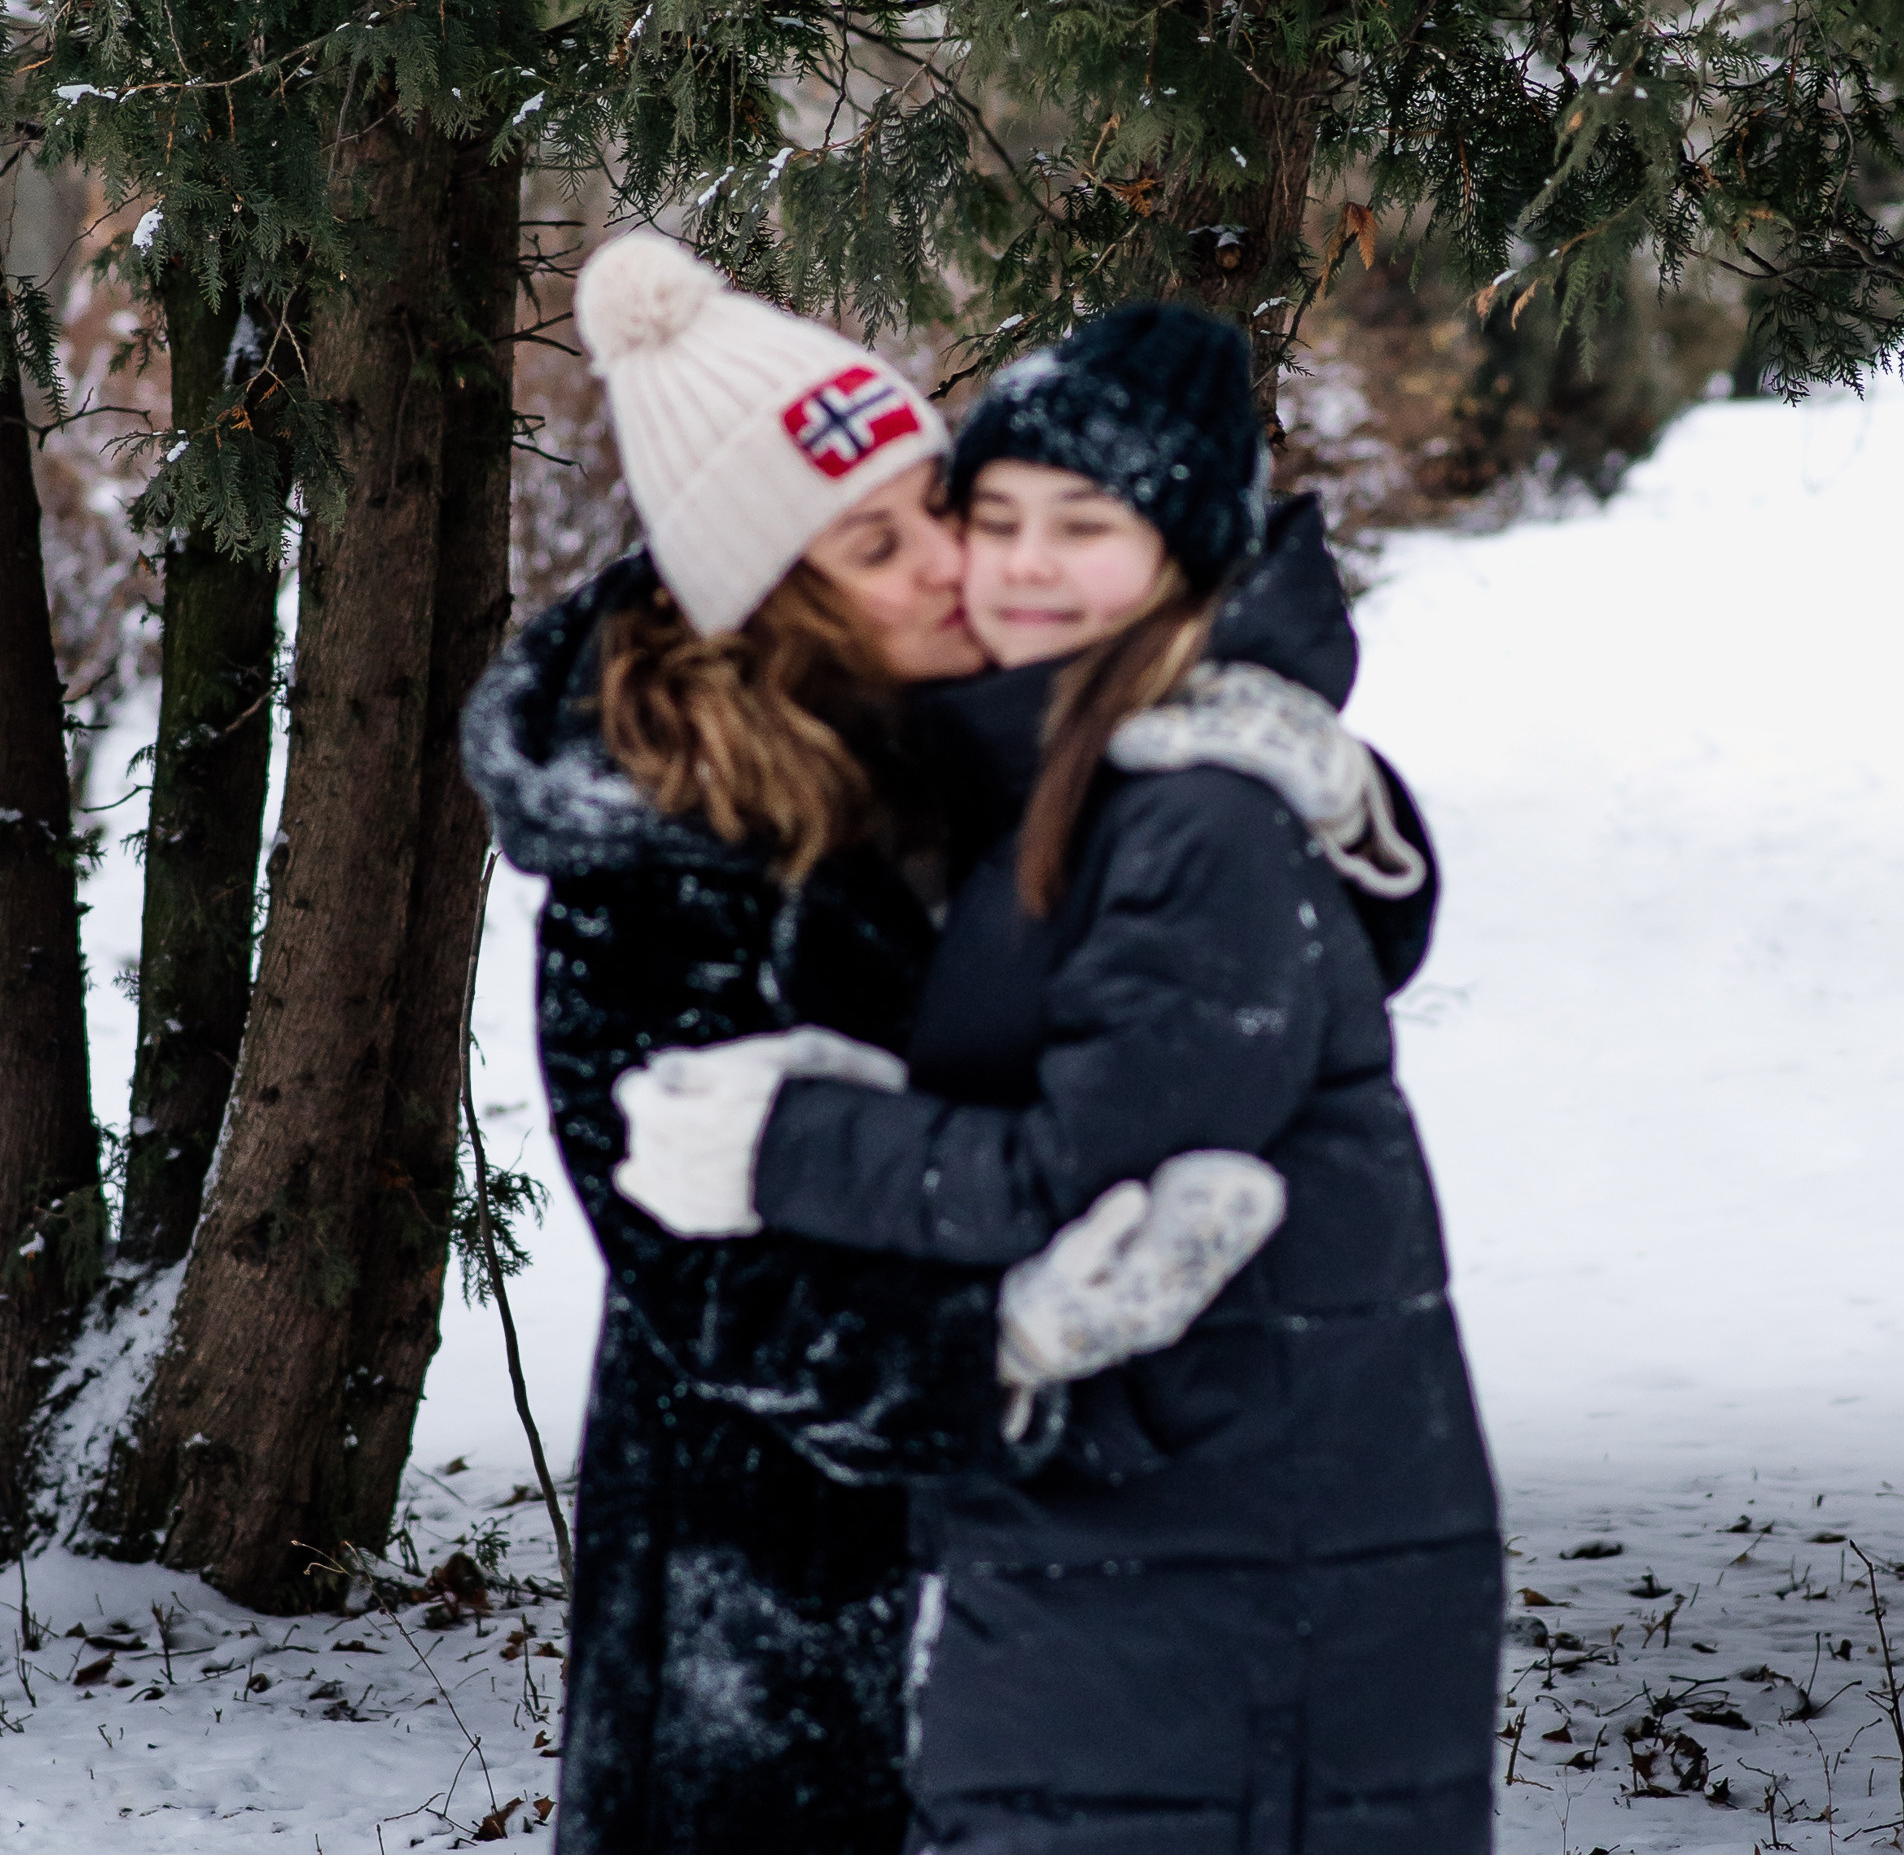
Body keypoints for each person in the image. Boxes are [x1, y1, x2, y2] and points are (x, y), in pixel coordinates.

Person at [617, 303, 1502, 1855]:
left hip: (1214, 1550)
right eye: (989, 519)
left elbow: (1105, 1128)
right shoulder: (934, 776)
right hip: (1066, 1539)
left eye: (1074, 525)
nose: (1000, 565)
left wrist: (794, 1138)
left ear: (1182, 551)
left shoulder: (1157, 787)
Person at [461, 244, 1288, 1855]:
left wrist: (1299, 778)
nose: (944, 563)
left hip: (1031, 1579)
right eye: (874, 539)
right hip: (772, 1590)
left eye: (935, 504)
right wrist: (998, 1345)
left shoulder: (963, 731)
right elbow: (696, 1276)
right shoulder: (661, 856)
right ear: (773, 595)